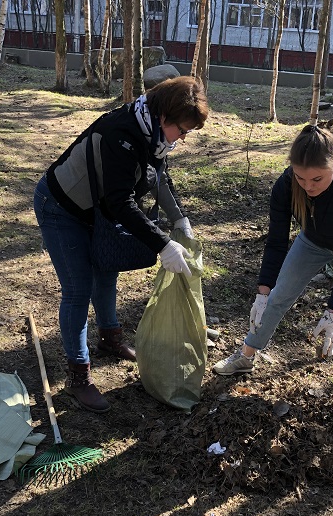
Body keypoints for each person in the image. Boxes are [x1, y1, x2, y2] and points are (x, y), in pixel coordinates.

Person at [212, 124, 333, 434]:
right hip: (314, 241)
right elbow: (276, 242)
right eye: (301, 178)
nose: (308, 186)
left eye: (317, 178)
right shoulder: (285, 185)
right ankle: (247, 355)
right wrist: (262, 293)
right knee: (279, 297)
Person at [34, 76, 209, 414]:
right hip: (61, 208)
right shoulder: (122, 133)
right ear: (164, 117)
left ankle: (109, 337)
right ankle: (78, 376)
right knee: (78, 288)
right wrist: (163, 245)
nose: (184, 138)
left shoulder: (155, 136)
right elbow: (120, 203)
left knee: (107, 269)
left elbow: (158, 177)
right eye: (183, 130)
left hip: (94, 210)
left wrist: (179, 218)